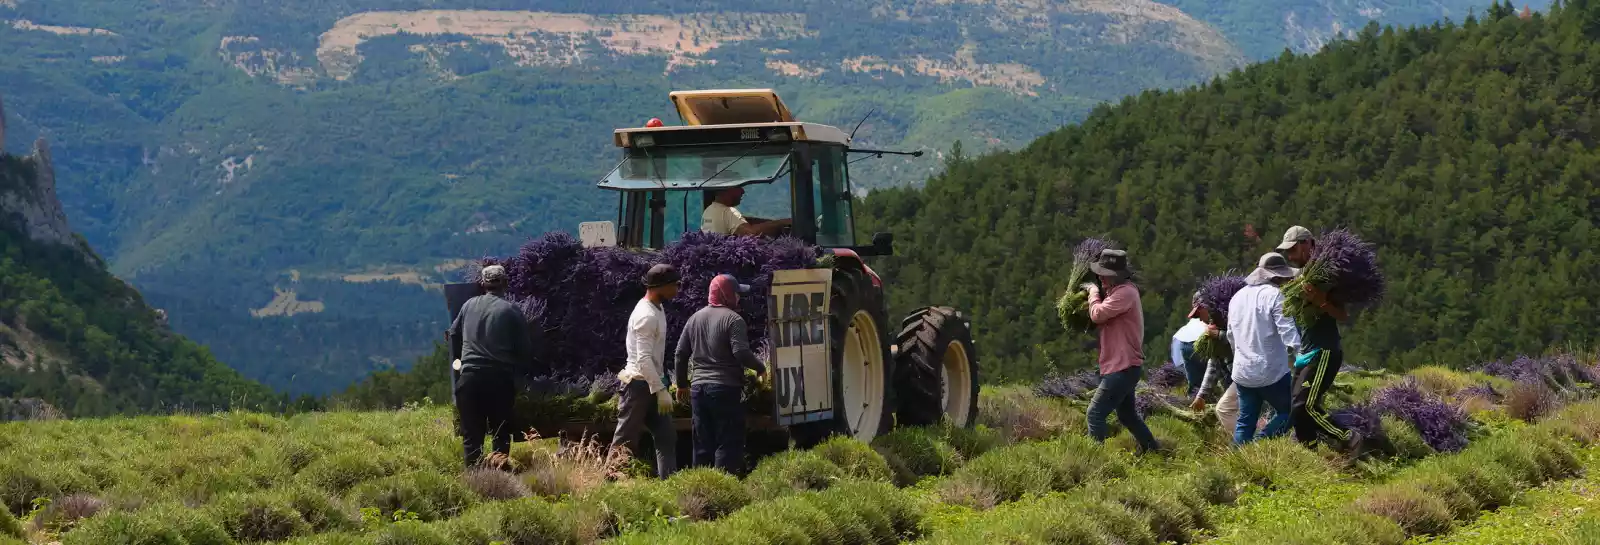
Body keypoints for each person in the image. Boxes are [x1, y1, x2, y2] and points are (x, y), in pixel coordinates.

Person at [1277, 226, 1363, 451]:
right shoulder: (1302, 277)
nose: (1290, 256)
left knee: (1306, 406)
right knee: (1297, 411)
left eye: (1293, 250)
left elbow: (1343, 315)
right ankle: (1311, 454)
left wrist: (1319, 300)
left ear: (1308, 244)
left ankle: (1349, 437)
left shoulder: (1326, 278)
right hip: (1305, 352)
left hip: (1324, 350)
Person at [674, 274, 766, 475]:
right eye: (736, 294)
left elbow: (680, 354)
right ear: (725, 295)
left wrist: (682, 384)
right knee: (728, 442)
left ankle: (701, 490)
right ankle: (723, 491)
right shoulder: (734, 320)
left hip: (698, 389)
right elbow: (740, 352)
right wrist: (760, 367)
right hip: (725, 389)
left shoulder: (694, 319)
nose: (739, 298)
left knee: (702, 444)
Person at [449, 264, 537, 469]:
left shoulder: (468, 305)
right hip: (498, 381)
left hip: (469, 380)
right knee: (500, 433)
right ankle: (500, 480)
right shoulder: (511, 310)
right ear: (505, 283)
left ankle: (475, 483)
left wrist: (459, 361)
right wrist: (521, 374)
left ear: (482, 284)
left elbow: (453, 334)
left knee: (472, 436)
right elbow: (524, 349)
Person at [1081, 249, 1161, 454]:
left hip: (1122, 367)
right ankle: (1153, 451)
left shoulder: (1125, 293)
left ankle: (1095, 462)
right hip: (1122, 366)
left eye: (1104, 274)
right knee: (1127, 415)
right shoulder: (1116, 293)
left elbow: (1097, 314)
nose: (1100, 277)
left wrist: (1092, 292)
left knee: (1095, 414)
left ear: (1116, 276)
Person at [609, 264, 682, 479]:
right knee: (625, 441)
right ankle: (609, 484)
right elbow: (643, 360)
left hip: (651, 383)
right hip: (638, 386)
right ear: (660, 287)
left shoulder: (657, 309)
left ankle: (669, 484)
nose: (677, 289)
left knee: (666, 436)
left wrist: (660, 385)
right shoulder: (646, 316)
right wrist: (660, 390)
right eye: (674, 285)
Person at [1224, 253, 1302, 445]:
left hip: (1243, 372)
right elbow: (1288, 332)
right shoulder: (1275, 295)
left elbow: (1230, 335)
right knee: (1289, 411)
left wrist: (1239, 357)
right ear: (1277, 277)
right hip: (1271, 371)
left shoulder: (1237, 297)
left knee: (1245, 421)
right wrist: (1300, 356)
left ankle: (1238, 462)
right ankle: (1260, 443)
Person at [701, 186, 792, 237]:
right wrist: (781, 222)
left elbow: (740, 221)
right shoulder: (729, 212)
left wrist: (767, 222)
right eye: (738, 187)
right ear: (727, 189)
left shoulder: (708, 211)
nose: (743, 191)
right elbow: (751, 233)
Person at [1171, 292, 1209, 397]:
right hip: (1204, 342)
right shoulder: (1208, 317)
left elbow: (1177, 360)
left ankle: (1195, 403)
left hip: (1184, 343)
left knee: (1194, 384)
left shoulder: (1186, 328)